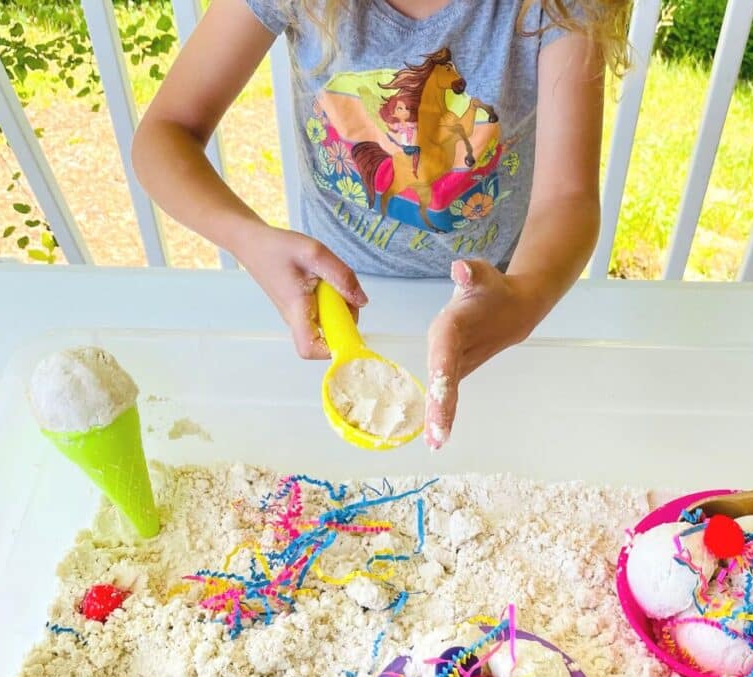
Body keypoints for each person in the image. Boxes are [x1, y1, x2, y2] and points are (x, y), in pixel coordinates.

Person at [132, 1, 629, 448]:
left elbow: (567, 198)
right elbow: (164, 134)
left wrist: (525, 299)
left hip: (498, 306)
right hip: (335, 305)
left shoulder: (561, 7)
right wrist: (248, 240)